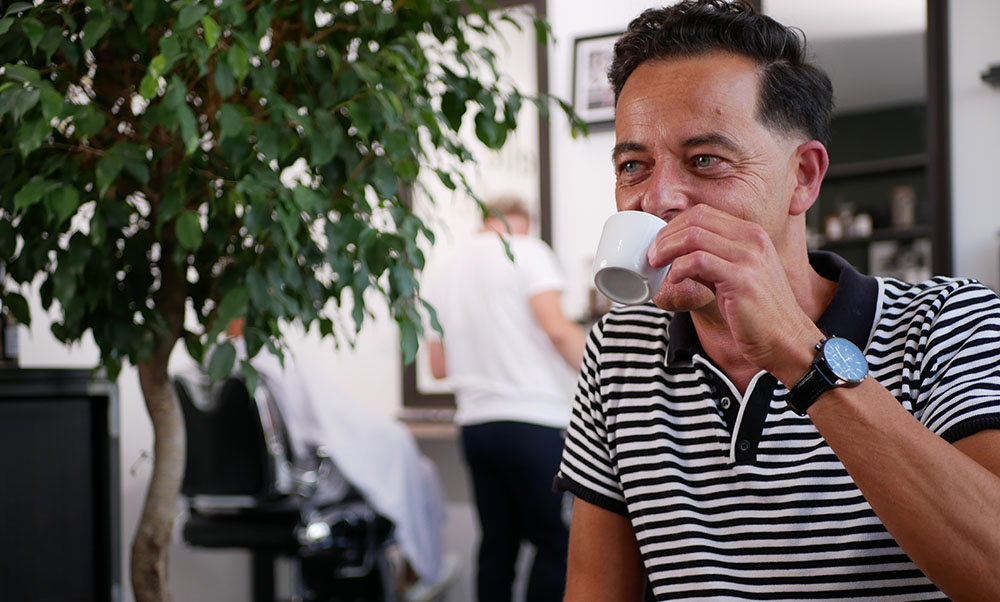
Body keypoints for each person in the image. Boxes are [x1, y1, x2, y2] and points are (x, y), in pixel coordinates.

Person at [553, 2, 1000, 601]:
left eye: (705, 160)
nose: (656, 198)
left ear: (805, 177)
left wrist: (796, 350)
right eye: (634, 165)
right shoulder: (620, 350)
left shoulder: (948, 322)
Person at [174, 319, 456, 601]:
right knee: (409, 464)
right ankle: (415, 568)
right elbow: (332, 425)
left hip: (225, 499)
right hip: (299, 491)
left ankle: (409, 570)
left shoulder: (205, 367)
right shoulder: (270, 361)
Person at [423, 196, 586, 602]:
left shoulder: (443, 268)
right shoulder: (527, 250)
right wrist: (611, 374)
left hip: (476, 428)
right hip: (533, 422)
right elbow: (559, 331)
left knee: (498, 544)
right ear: (522, 224)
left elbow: (438, 365)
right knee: (555, 543)